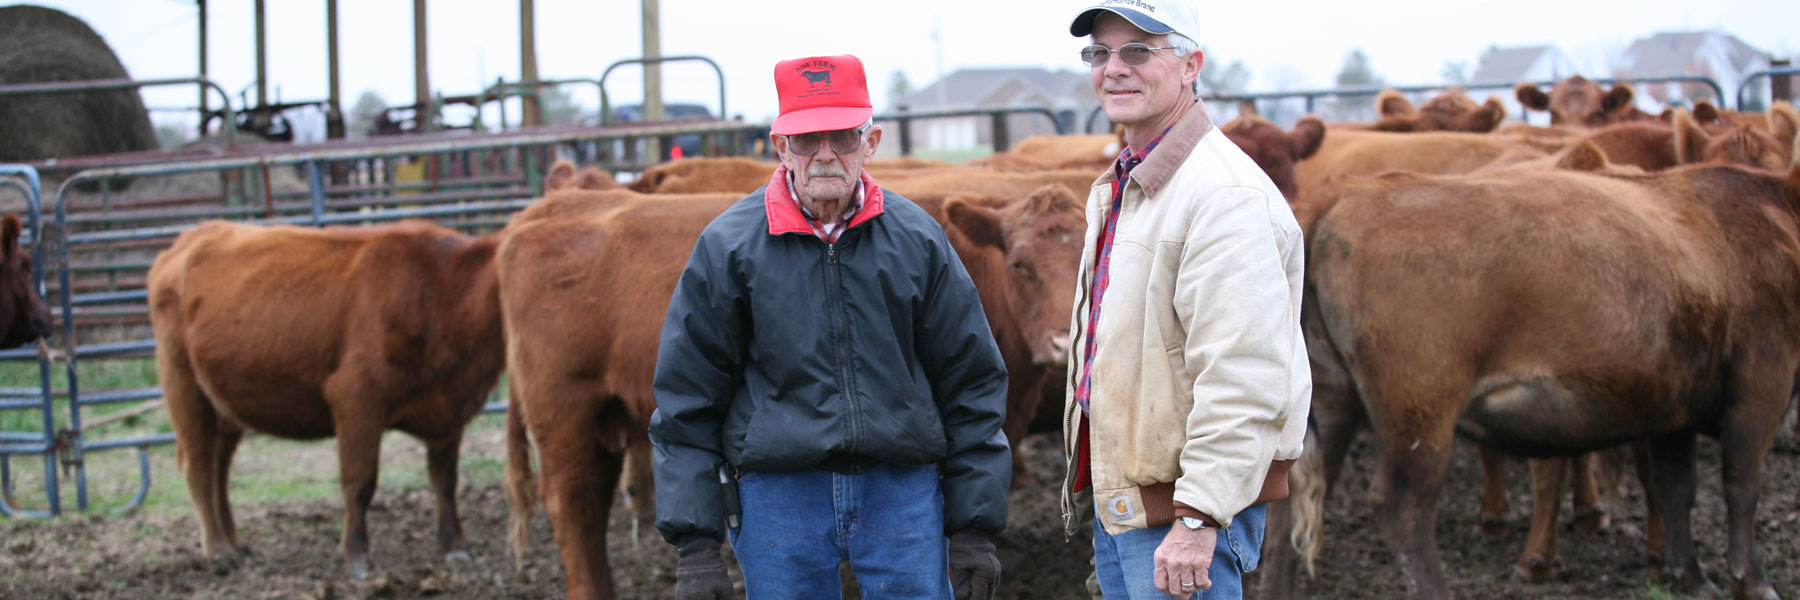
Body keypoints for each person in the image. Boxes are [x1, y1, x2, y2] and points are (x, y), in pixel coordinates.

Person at [649, 54, 1010, 600]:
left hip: (901, 487)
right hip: (779, 493)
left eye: (842, 136)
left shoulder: (917, 238)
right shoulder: (729, 246)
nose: (824, 154)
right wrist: (696, 545)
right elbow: (688, 394)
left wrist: (973, 525)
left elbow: (971, 377)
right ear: (780, 146)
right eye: (805, 139)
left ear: (870, 142)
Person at [1058, 2, 1313, 599]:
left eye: (1137, 51)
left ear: (1191, 65)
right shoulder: (1131, 181)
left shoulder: (1222, 195)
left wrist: (1199, 517)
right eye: (1100, 53)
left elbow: (1243, 372)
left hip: (1183, 513)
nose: (1114, 68)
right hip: (1130, 502)